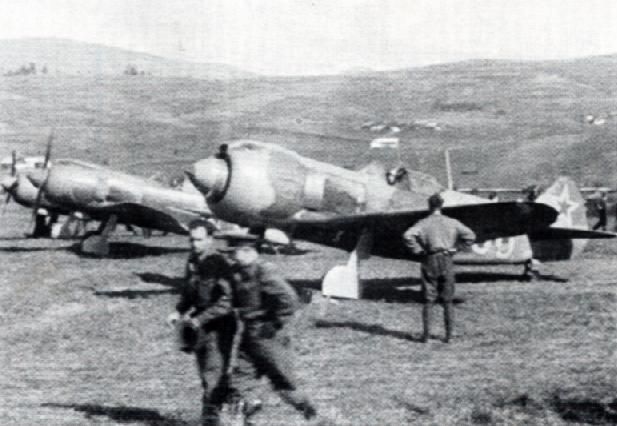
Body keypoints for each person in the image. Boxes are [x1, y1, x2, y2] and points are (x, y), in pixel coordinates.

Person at [220, 234, 319, 423]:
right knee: (240, 381)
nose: (232, 256)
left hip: (269, 336)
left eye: (235, 252)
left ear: (249, 251)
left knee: (281, 381)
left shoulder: (264, 272)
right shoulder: (238, 271)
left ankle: (308, 410)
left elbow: (289, 299)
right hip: (249, 333)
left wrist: (275, 323)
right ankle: (245, 416)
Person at [167, 219, 236, 426]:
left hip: (220, 325)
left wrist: (199, 319)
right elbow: (190, 290)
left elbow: (227, 302)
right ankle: (230, 406)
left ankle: (213, 419)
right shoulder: (194, 260)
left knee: (212, 375)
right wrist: (178, 311)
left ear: (210, 239)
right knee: (206, 374)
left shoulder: (217, 263)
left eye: (199, 240)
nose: (194, 245)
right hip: (200, 325)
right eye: (192, 240)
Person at [403, 193, 476, 343]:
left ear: (429, 206)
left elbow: (407, 235)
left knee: (428, 299)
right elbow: (470, 236)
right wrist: (457, 248)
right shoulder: (452, 222)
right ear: (441, 206)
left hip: (429, 258)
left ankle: (426, 336)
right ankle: (449, 336)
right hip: (446, 258)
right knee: (448, 300)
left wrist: (417, 250)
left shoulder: (423, 223)